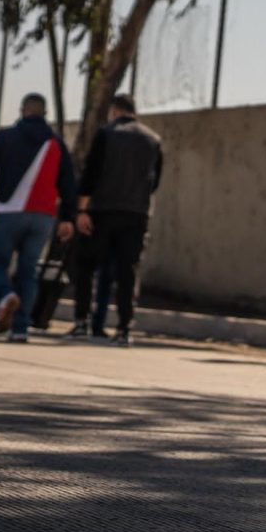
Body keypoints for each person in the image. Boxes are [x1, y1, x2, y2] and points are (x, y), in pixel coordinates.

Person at [0, 93, 77, 343]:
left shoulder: (4, 137)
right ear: (44, 113)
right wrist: (68, 218)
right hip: (43, 217)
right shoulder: (56, 143)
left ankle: (5, 297)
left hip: (9, 211)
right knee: (27, 271)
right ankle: (20, 329)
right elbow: (69, 182)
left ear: (22, 110)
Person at [78, 93, 163, 346]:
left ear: (114, 110)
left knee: (89, 265)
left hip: (103, 210)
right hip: (136, 213)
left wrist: (82, 210)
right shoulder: (153, 140)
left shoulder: (106, 134)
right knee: (127, 271)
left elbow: (91, 174)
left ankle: (86, 320)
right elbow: (155, 181)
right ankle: (124, 327)